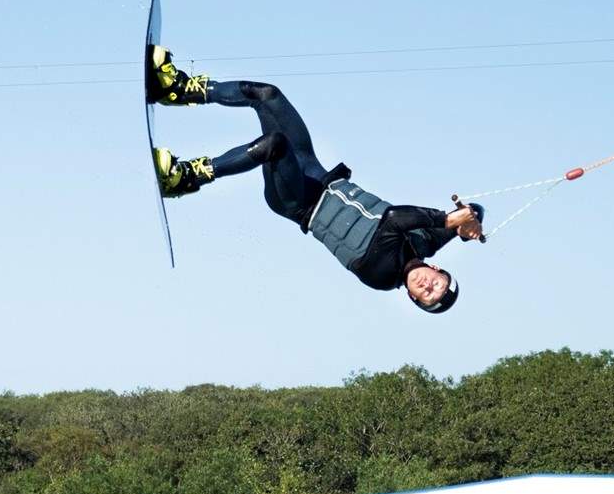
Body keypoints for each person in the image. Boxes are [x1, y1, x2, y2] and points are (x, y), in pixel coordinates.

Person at [148, 48, 484, 313]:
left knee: (275, 145)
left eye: (426, 296)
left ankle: (187, 177)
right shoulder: (426, 243)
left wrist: (446, 219)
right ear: (438, 270)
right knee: (267, 95)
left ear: (412, 297)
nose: (428, 287)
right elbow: (475, 210)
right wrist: (469, 225)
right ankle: (177, 89)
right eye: (437, 284)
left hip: (299, 201)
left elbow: (394, 220)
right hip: (316, 172)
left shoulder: (381, 277)